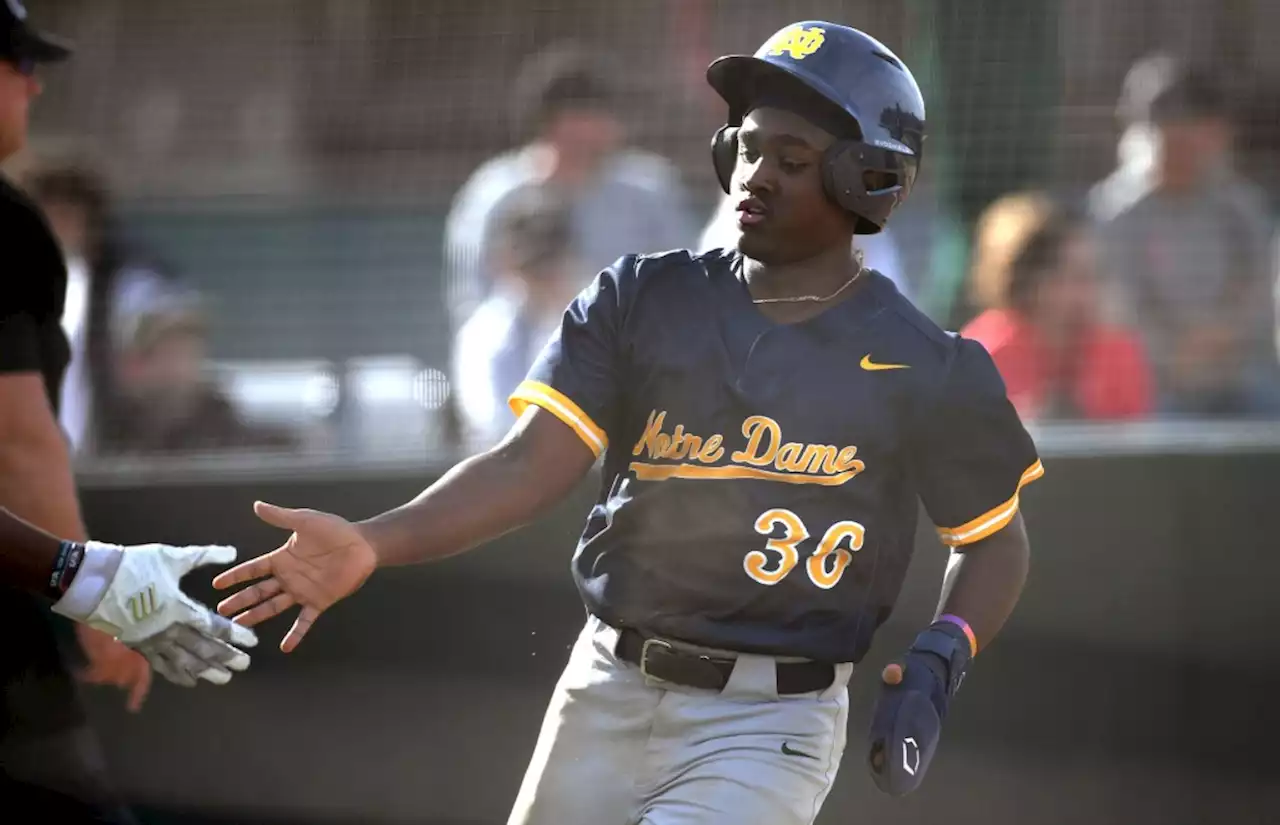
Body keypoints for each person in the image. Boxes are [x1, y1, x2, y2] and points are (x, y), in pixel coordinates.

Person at [216, 22, 1040, 824]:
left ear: (869, 181)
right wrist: (373, 540)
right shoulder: (643, 296)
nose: (755, 174)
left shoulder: (926, 364)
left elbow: (993, 537)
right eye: (748, 147)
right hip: (603, 688)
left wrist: (945, 648)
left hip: (768, 723)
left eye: (791, 160)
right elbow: (527, 463)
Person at [0, 4, 255, 818]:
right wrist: (90, 591)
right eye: (17, 64)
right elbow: (20, 444)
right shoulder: (3, 226)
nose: (33, 85)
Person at [442, 40, 695, 334]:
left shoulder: (648, 189)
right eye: (600, 114)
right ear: (561, 122)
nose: (615, 126)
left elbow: (686, 287)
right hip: (524, 362)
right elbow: (472, 303)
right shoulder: (497, 194)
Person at [1090, 53, 1280, 417]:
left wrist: (1221, 336)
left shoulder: (1243, 207)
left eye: (1196, 132)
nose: (1182, 148)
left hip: (1241, 375)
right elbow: (1118, 311)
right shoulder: (1113, 213)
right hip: (1157, 385)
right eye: (1167, 132)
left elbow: (1259, 297)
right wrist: (1177, 352)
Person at [962, 195, 1153, 421]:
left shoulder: (1118, 351)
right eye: (1074, 277)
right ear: (1028, 281)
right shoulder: (983, 356)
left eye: (1095, 275)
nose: (1089, 292)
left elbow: (1134, 439)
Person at [451, 185, 584, 446]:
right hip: (504, 468)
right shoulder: (483, 331)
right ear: (504, 260)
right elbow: (489, 419)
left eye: (551, 261)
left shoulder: (597, 318)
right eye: (533, 264)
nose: (543, 274)